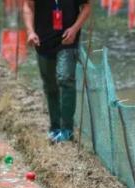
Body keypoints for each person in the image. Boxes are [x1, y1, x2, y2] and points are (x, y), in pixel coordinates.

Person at [23, 0, 91, 143]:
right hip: (43, 41)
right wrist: (30, 31)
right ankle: (55, 127)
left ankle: (67, 130)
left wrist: (74, 29)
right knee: (50, 85)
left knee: (66, 79)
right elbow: (28, 5)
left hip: (68, 40)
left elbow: (86, 7)